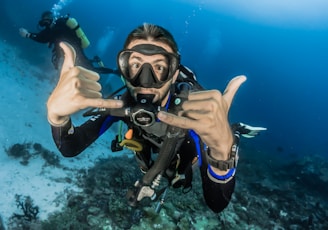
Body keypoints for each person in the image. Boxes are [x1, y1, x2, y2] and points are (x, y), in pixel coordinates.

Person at [46, 23, 266, 213]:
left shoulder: (192, 114)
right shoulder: (121, 103)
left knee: (196, 160)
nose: (146, 80)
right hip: (152, 161)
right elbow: (70, 147)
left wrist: (221, 153)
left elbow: (217, 203)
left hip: (185, 157)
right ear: (123, 70)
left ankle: (233, 132)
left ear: (173, 74)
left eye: (160, 67)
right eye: (135, 65)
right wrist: (57, 117)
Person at [19, 11, 115, 74]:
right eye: (44, 19)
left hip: (75, 50)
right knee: (82, 66)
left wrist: (28, 35)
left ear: (50, 18)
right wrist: (30, 34)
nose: (45, 22)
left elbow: (43, 38)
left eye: (47, 19)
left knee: (90, 70)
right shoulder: (55, 28)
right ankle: (96, 60)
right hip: (72, 50)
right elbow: (45, 37)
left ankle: (114, 72)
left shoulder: (58, 26)